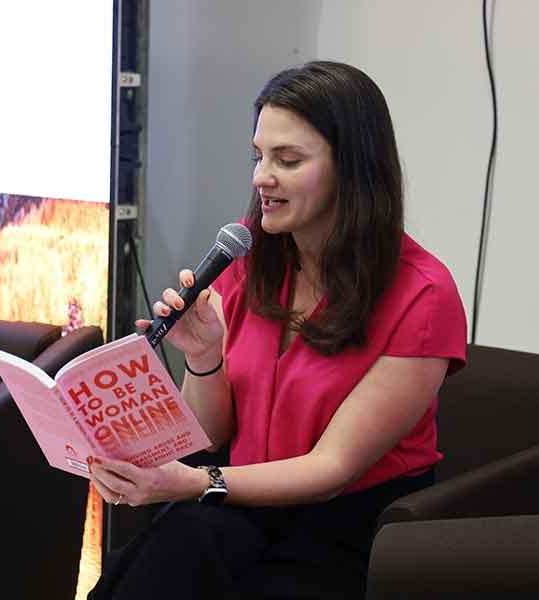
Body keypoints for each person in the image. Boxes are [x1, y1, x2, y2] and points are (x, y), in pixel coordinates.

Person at [87, 61, 467, 599]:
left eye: (287, 160)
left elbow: (331, 468)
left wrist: (196, 483)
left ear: (353, 170)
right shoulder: (244, 253)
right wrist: (204, 356)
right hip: (241, 501)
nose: (261, 177)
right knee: (179, 543)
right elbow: (211, 434)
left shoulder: (424, 295)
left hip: (350, 526)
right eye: (259, 156)